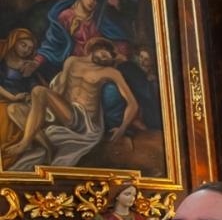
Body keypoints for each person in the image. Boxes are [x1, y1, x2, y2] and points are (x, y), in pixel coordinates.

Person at [3, 37, 138, 170]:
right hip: (65, 112)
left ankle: (25, 142)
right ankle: (46, 145)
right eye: (104, 54)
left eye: (108, 59)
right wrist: (41, 104)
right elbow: (60, 90)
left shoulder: (111, 72)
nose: (105, 59)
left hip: (83, 121)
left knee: (39, 91)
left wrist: (122, 128)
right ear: (96, 48)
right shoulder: (72, 61)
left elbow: (132, 103)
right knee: (14, 109)